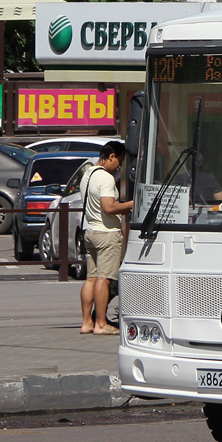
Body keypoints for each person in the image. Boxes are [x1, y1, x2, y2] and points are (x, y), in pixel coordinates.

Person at [79, 141, 133, 335]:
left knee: (91, 278)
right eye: (119, 160)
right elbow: (109, 207)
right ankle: (101, 324)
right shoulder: (107, 178)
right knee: (104, 279)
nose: (119, 165)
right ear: (111, 156)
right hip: (107, 233)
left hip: (90, 231)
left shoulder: (88, 174)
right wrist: (131, 204)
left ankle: (87, 323)